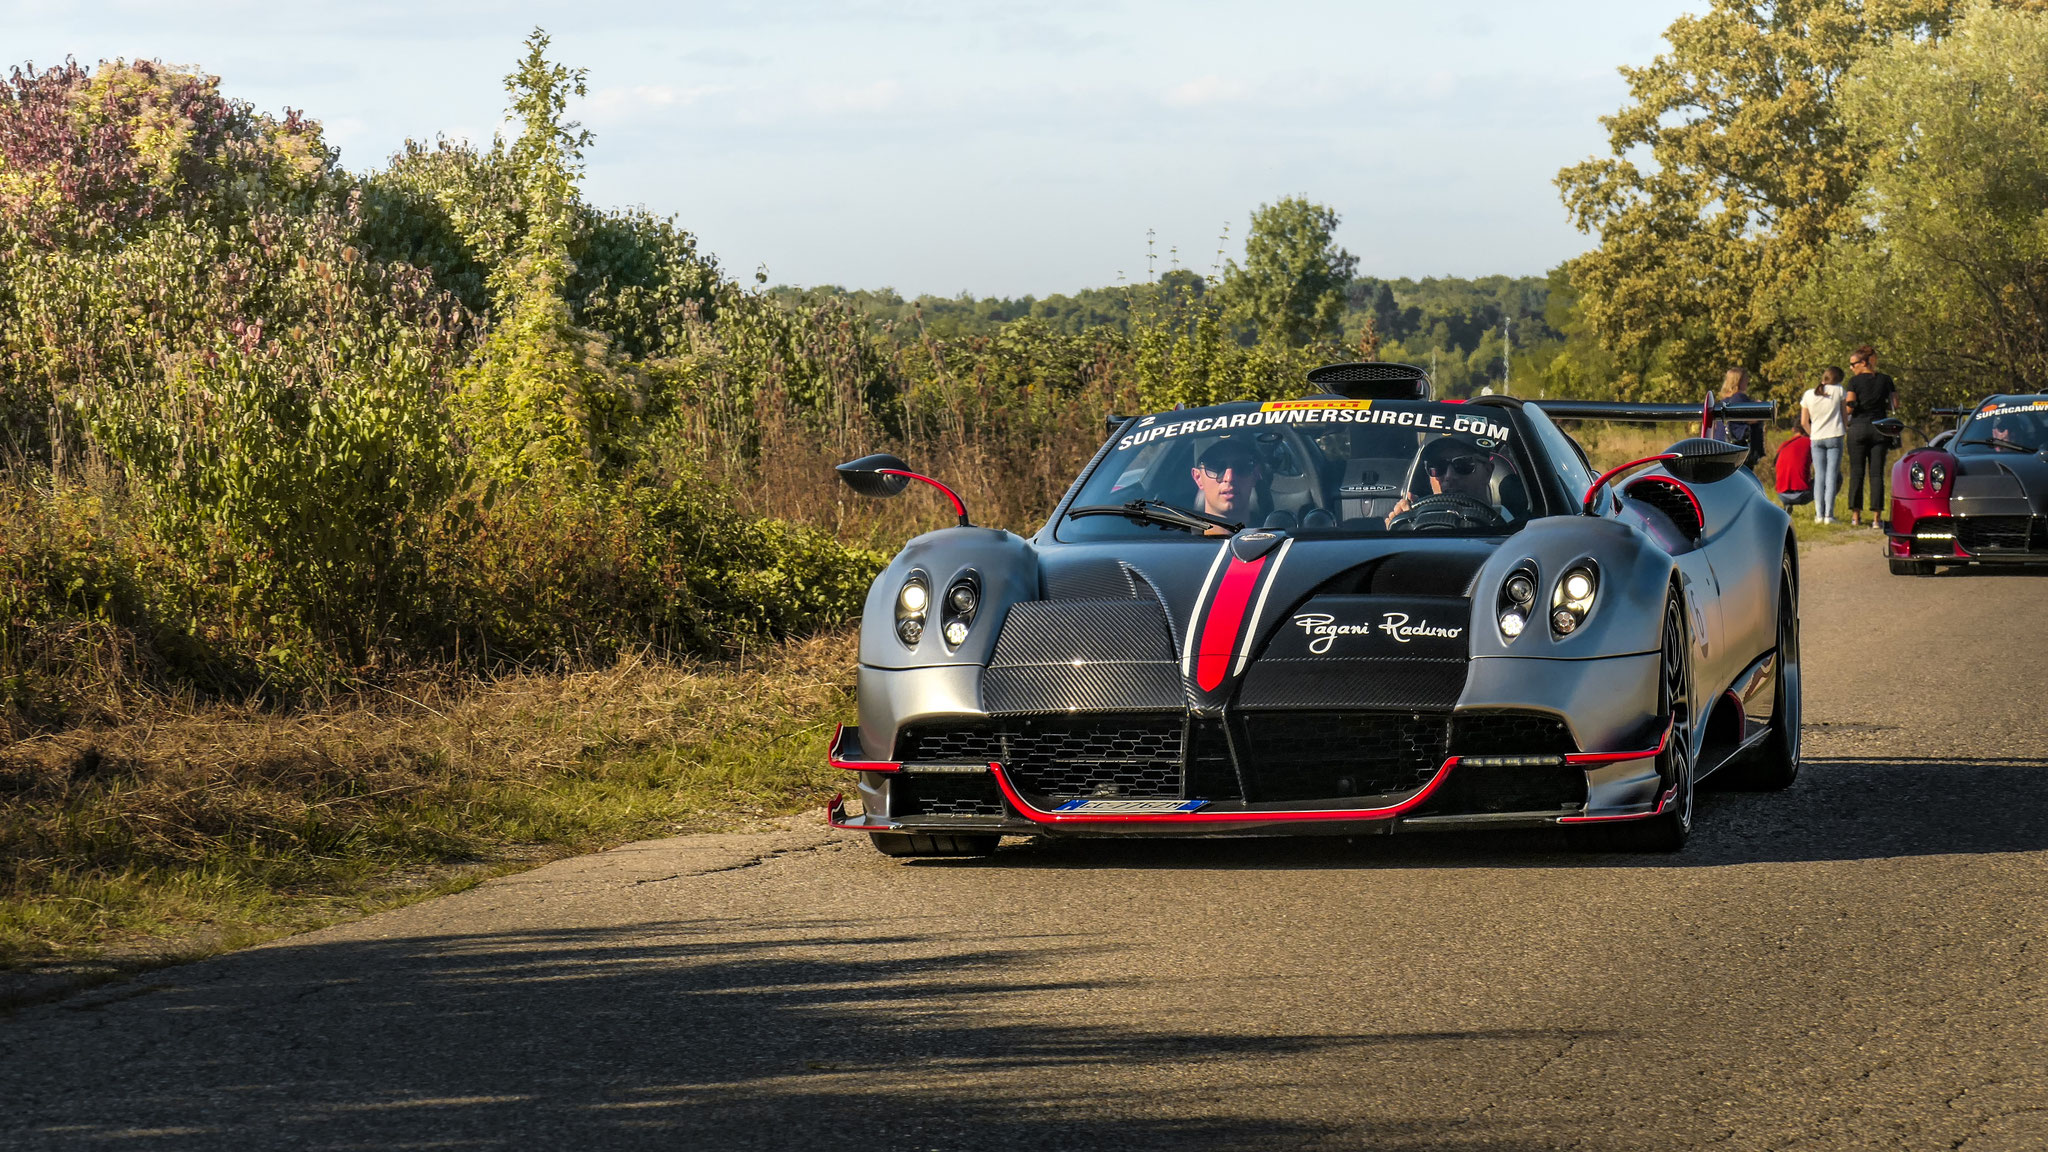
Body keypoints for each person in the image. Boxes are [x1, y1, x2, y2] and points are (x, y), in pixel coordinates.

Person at [1386, 433, 1511, 528]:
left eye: (1463, 464)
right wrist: (1399, 530)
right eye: (1437, 466)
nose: (1449, 476)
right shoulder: (1414, 526)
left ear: (1488, 471)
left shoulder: (1515, 528)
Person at [1843, 345, 1898, 528]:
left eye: (1853, 364)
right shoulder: (1885, 379)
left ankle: (1856, 516)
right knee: (1877, 474)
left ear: (1863, 362)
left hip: (1858, 428)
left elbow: (1850, 405)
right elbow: (1894, 404)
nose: (1851, 368)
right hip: (1880, 429)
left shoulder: (1854, 382)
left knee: (1857, 472)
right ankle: (1876, 518)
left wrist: (1845, 414)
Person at [1800, 366, 1847, 523]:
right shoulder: (1839, 390)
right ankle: (1829, 515)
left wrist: (1812, 432)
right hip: (1835, 435)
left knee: (1819, 475)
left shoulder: (1808, 394)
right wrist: (1846, 427)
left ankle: (1818, 514)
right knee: (1831, 476)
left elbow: (1803, 421)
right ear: (1838, 379)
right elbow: (1844, 416)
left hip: (1817, 437)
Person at [1190, 437, 1262, 533]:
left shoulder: (1283, 541)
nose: (1229, 478)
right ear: (1198, 478)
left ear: (1256, 475)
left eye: (1242, 466)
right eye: (1216, 467)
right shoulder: (1175, 543)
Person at [1714, 368, 1766, 470]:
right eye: (1746, 379)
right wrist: (1760, 408)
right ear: (1739, 381)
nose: (1748, 382)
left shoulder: (1723, 401)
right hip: (1738, 450)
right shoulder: (1739, 398)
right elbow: (1750, 418)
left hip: (1721, 448)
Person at [1774, 429, 1814, 511]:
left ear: (1794, 430)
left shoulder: (1784, 445)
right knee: (1835, 477)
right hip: (1802, 495)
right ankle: (1824, 513)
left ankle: (1787, 505)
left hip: (1781, 495)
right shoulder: (1810, 442)